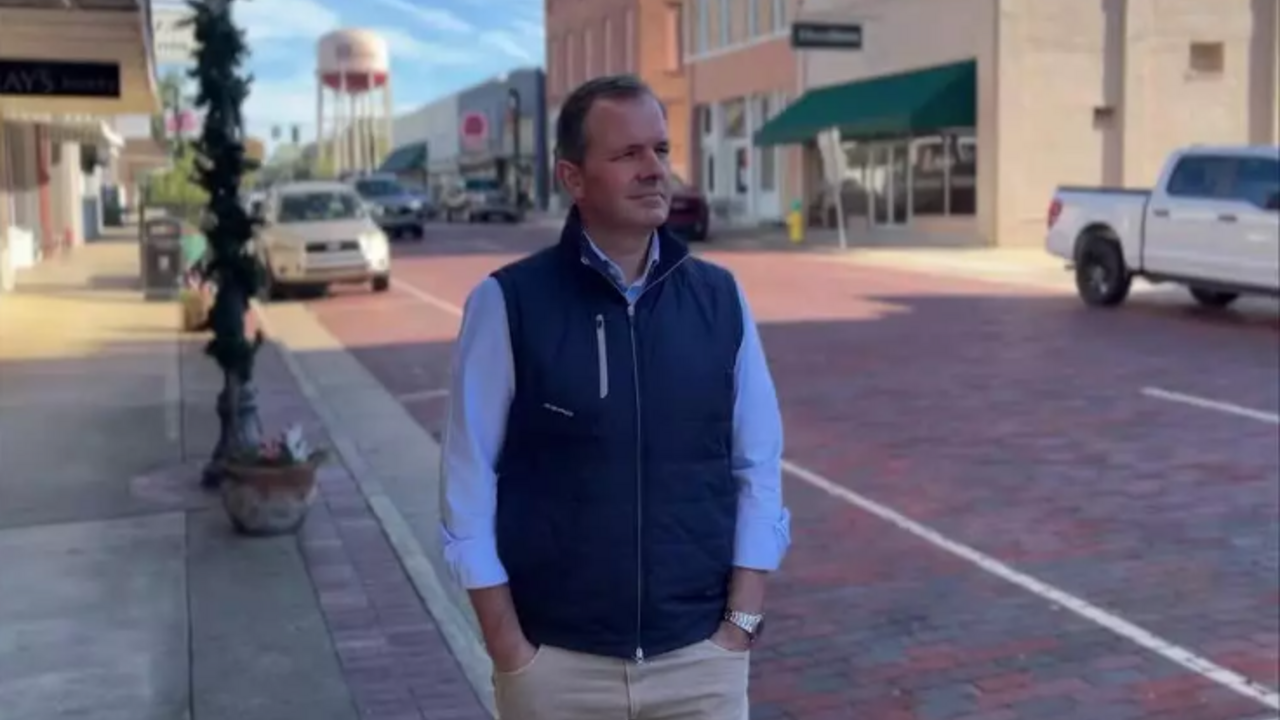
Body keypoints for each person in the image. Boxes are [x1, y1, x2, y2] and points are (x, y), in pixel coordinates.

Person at [440, 74, 791, 719]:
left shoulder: (721, 299)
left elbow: (757, 466)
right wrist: (509, 648)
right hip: (558, 669)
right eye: (628, 153)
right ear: (572, 177)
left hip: (700, 665)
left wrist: (739, 626)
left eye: (660, 149)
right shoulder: (507, 304)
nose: (654, 169)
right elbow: (467, 482)